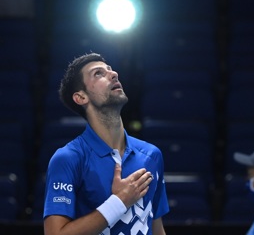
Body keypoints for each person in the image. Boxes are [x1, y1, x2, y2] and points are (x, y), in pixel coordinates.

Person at [43, 52, 169, 235]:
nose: (113, 74)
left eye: (110, 69)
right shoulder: (67, 158)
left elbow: (156, 228)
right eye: (98, 73)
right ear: (81, 97)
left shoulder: (151, 155)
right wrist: (119, 202)